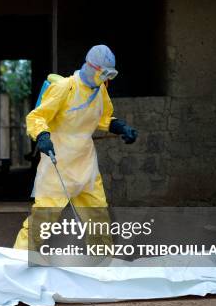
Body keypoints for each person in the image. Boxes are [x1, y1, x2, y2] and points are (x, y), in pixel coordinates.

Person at [13, 45, 138, 250]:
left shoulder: (100, 91)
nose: (107, 80)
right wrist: (42, 136)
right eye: (105, 73)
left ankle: (101, 266)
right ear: (92, 67)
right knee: (43, 220)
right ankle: (16, 262)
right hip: (58, 163)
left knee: (97, 218)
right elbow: (36, 116)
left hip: (85, 164)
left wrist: (120, 127)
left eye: (111, 75)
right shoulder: (65, 88)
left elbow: (103, 117)